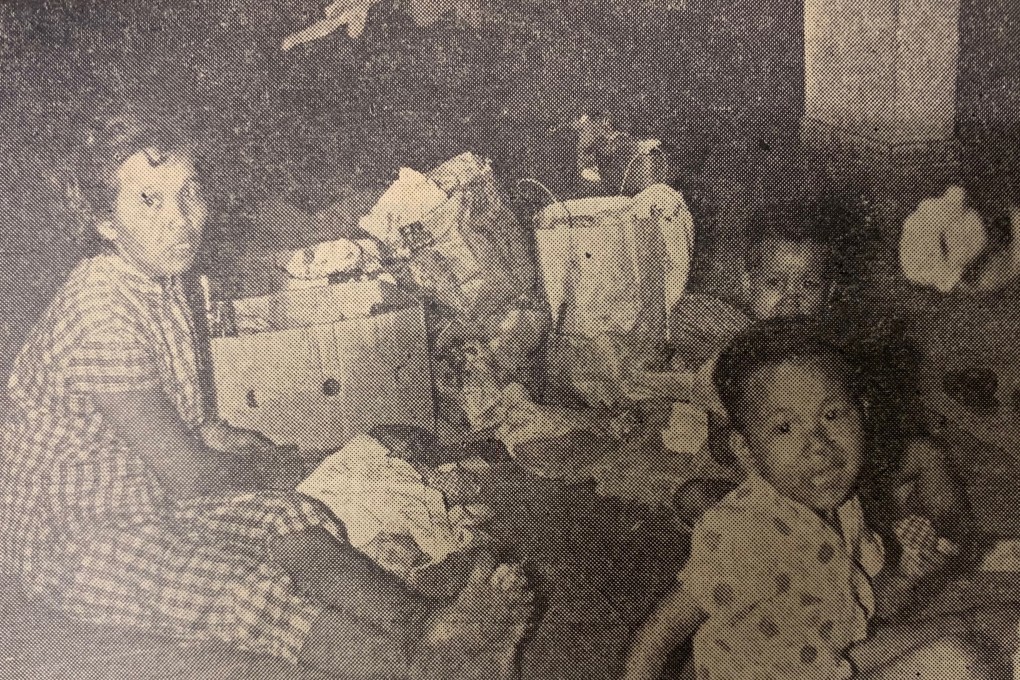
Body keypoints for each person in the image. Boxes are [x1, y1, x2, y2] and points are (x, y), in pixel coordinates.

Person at [0, 111, 534, 679]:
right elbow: (185, 471)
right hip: (70, 534)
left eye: (189, 195)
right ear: (106, 224)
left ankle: (432, 627)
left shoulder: (166, 283)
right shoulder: (100, 304)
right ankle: (419, 666)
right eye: (149, 202)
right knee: (249, 592)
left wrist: (286, 459)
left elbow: (202, 428)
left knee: (290, 517)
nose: (180, 222)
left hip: (148, 500)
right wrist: (273, 468)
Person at [621, 318, 999, 680]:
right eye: (785, 428)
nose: (817, 446)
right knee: (962, 658)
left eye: (832, 415)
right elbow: (655, 639)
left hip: (828, 664)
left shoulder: (842, 506)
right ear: (747, 451)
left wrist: (911, 578)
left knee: (982, 634)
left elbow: (854, 621)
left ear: (862, 415)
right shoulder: (742, 531)